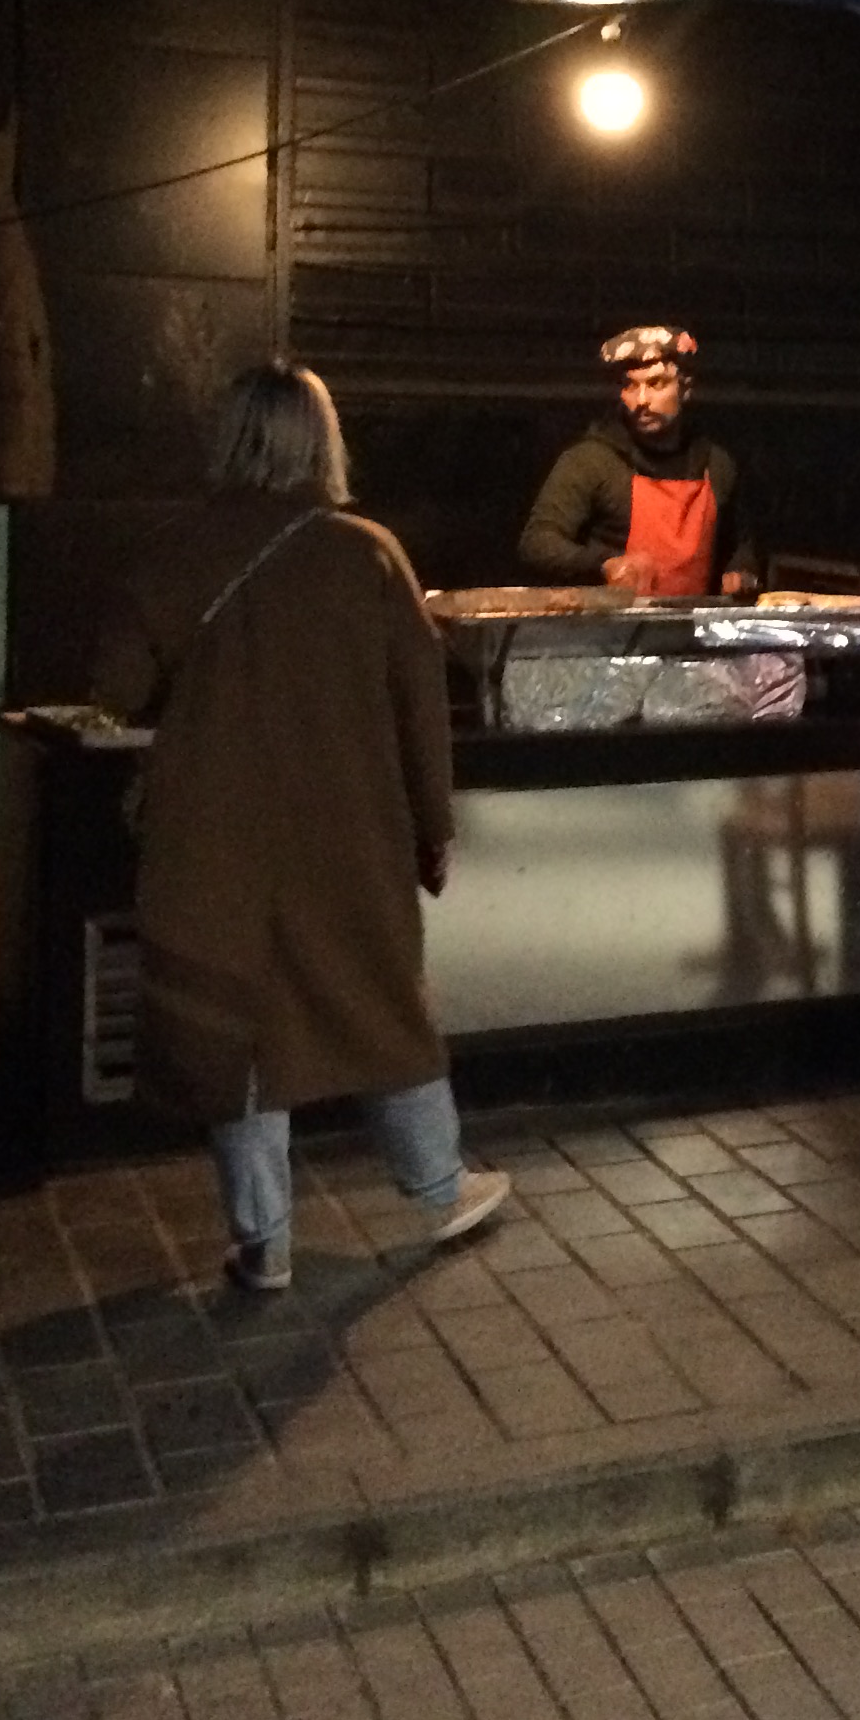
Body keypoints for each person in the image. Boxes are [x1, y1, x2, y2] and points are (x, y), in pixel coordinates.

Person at [92, 362, 509, 1292]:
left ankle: (263, 1243)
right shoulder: (368, 554)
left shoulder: (171, 552)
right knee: (382, 996)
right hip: (349, 831)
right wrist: (433, 824)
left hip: (213, 833)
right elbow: (420, 707)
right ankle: (440, 1186)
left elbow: (113, 689)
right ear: (324, 441)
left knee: (238, 1029)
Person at [518, 325, 759, 597]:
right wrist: (603, 564)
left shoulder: (717, 465)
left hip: (691, 620)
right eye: (630, 385)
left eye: (656, 384)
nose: (641, 400)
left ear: (685, 388)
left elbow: (741, 542)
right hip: (612, 621)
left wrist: (741, 571)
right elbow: (537, 542)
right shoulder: (591, 461)